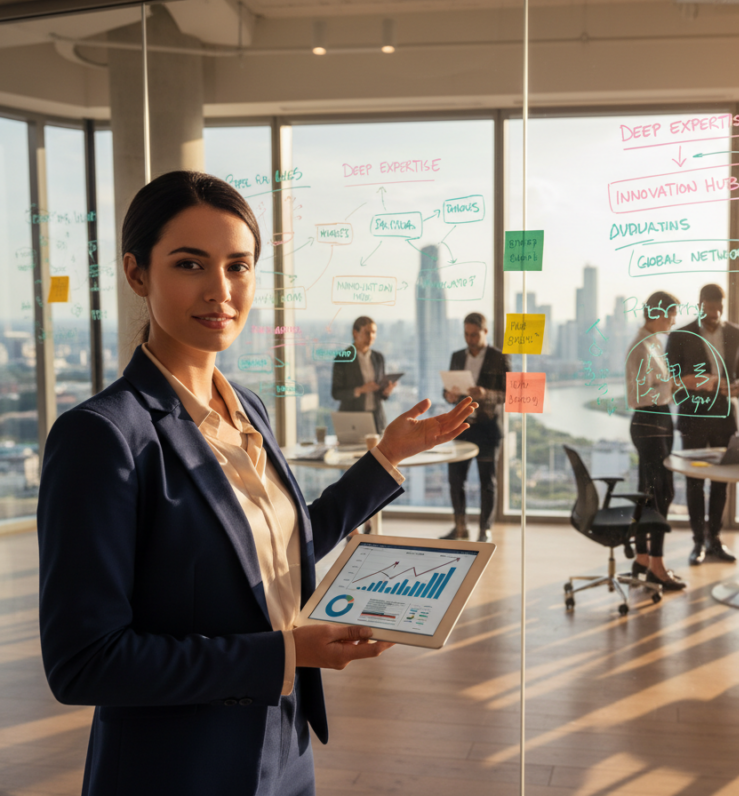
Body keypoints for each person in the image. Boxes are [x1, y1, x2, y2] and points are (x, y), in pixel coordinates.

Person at [35, 171, 476, 796]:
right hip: (179, 769)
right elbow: (85, 663)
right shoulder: (103, 435)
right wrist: (286, 654)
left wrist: (387, 459)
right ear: (137, 274)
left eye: (238, 266)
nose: (221, 290)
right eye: (191, 263)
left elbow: (275, 549)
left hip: (284, 746)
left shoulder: (248, 407)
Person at [666, 283, 739, 566]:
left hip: (725, 417)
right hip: (693, 416)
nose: (714, 314)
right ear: (700, 304)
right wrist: (695, 385)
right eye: (709, 308)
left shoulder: (736, 333)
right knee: (694, 483)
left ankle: (715, 538)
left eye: (718, 309)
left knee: (720, 483)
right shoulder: (680, 336)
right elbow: (672, 385)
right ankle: (697, 542)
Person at [624, 291, 687, 590]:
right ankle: (657, 567)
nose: (674, 321)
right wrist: (674, 384)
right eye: (672, 315)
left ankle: (642, 557)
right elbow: (638, 396)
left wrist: (670, 385)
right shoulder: (641, 346)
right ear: (659, 314)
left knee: (649, 491)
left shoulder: (654, 343)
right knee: (662, 492)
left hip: (660, 419)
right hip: (649, 420)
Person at [441, 312, 511, 543]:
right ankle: (460, 528)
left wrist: (486, 394)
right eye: (466, 334)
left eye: (474, 334)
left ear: (485, 332)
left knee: (486, 482)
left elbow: (511, 394)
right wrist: (449, 395)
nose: (469, 339)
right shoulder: (456, 356)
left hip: (488, 429)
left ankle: (484, 530)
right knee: (455, 479)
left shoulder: (499, 357)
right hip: (462, 427)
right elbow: (447, 390)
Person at [331, 315, 395, 434]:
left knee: (377, 451)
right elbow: (336, 393)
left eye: (374, 332)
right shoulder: (342, 359)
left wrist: (386, 392)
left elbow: (380, 393)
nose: (371, 336)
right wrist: (360, 390)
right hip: (352, 418)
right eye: (367, 332)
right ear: (355, 333)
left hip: (376, 418)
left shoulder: (378, 358)